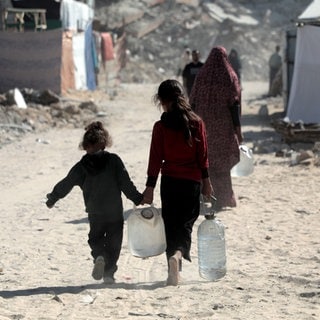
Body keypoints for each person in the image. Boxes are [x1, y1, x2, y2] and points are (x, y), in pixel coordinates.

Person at [45, 121, 146, 284]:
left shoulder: (82, 166)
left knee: (95, 238)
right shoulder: (114, 161)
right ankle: (109, 273)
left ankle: (99, 256)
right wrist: (138, 198)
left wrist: (53, 197)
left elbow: (67, 182)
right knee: (114, 242)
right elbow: (125, 183)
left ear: (85, 146)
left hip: (95, 211)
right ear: (104, 143)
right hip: (114, 211)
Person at [142, 79, 213, 286]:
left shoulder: (160, 127)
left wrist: (150, 187)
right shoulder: (196, 123)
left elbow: (155, 159)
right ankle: (179, 255)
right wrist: (207, 182)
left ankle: (173, 270)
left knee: (171, 225)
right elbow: (203, 157)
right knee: (185, 225)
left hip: (170, 181)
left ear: (162, 101)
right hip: (191, 182)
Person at [189, 46, 243, 210]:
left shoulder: (202, 76)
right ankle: (223, 198)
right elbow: (234, 104)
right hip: (223, 129)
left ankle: (203, 196)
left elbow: (192, 102)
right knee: (222, 164)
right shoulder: (229, 76)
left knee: (204, 162)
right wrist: (238, 129)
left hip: (203, 129)